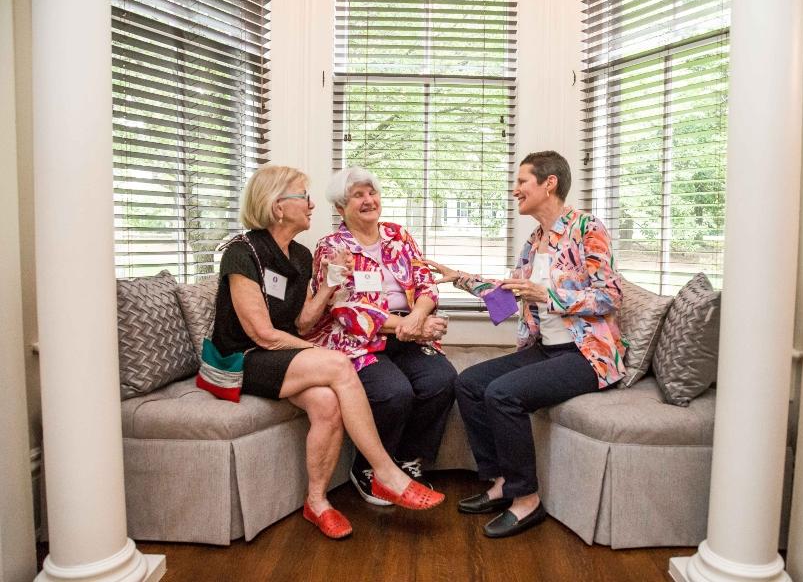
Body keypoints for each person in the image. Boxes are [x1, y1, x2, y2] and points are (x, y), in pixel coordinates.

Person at [210, 165, 445, 539]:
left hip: (281, 354)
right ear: (277, 206)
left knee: (327, 404)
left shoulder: (300, 255)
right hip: (241, 359)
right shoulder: (242, 253)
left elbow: (302, 323)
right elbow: (262, 334)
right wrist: (319, 354)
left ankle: (316, 503)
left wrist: (328, 286)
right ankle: (384, 472)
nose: (311, 204)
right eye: (302, 196)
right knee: (338, 365)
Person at [425, 151, 626, 538]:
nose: (514, 189)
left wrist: (548, 295)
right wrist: (460, 278)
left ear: (548, 183)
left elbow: (610, 296)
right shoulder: (535, 241)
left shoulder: (587, 228)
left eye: (522, 182)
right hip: (546, 348)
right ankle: (500, 481)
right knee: (468, 383)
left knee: (502, 394)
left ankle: (526, 500)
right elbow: (511, 293)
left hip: (586, 354)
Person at [303, 166, 457, 506]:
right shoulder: (331, 246)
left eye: (371, 193)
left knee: (442, 379)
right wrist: (405, 326)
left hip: (408, 330)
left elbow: (425, 282)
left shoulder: (398, 235)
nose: (369, 200)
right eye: (358, 195)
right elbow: (345, 308)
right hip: (356, 342)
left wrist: (417, 317)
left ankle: (406, 460)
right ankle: (369, 468)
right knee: (393, 392)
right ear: (341, 208)